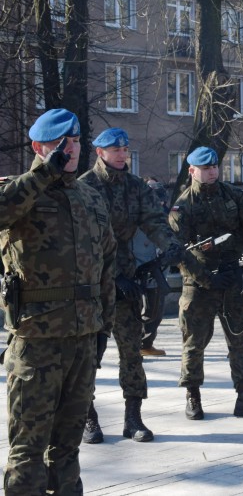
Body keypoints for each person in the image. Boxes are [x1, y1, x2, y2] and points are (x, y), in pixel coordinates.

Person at [1, 109, 116, 494]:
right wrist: (42, 173)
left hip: (83, 338)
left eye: (77, 141)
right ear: (39, 147)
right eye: (61, 144)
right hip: (37, 341)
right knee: (28, 449)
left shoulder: (90, 197)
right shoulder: (19, 190)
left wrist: (105, 327)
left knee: (67, 449)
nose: (72, 149)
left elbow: (107, 264)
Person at [79, 128, 185, 445]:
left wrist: (171, 245)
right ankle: (88, 417)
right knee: (86, 355)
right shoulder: (85, 187)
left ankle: (132, 417)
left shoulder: (135, 186)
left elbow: (153, 219)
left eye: (126, 148)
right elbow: (84, 244)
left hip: (126, 283)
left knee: (132, 350)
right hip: (91, 283)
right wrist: (112, 276)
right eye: (116, 149)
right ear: (100, 152)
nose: (123, 154)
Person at [168, 147, 243, 421]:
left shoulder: (235, 195)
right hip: (199, 282)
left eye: (214, 166)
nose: (212, 171)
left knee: (240, 339)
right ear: (192, 171)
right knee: (194, 341)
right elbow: (179, 252)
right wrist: (208, 278)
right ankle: (193, 395)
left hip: (232, 276)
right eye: (205, 168)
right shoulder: (183, 206)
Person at [141, 177, 172, 355]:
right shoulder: (137, 213)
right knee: (140, 311)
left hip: (158, 268)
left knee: (155, 310)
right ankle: (138, 345)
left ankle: (146, 344)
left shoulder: (166, 215)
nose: (159, 202)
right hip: (139, 267)